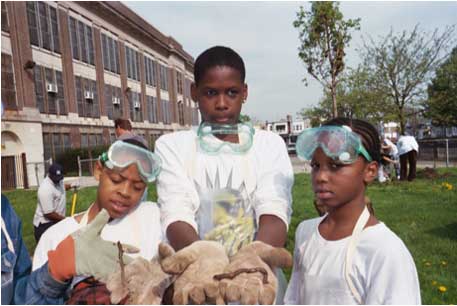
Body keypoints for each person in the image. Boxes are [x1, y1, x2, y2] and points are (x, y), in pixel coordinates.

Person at [155, 46, 294, 304]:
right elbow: (175, 214)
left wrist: (251, 262)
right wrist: (206, 260)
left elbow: (274, 210)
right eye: (210, 93)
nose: (221, 104)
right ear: (194, 93)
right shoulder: (174, 146)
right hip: (200, 284)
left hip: (255, 283)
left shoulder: (268, 144)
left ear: (245, 93)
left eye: (231, 92)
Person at [285, 118, 421, 304]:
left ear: (370, 171)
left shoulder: (384, 251)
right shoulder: (306, 233)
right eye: (316, 165)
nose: (321, 176)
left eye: (336, 165)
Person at [32, 137, 163, 303]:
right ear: (98, 171)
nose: (125, 191)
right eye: (116, 180)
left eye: (137, 187)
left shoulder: (152, 218)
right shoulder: (56, 236)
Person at [33, 163, 67, 243]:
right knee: (48, 252)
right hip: (45, 225)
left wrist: (71, 185)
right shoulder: (45, 189)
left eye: (59, 178)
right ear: (49, 175)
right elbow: (49, 214)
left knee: (59, 249)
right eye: (55, 178)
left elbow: (60, 188)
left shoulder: (59, 181)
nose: (58, 180)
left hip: (56, 222)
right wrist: (66, 220)